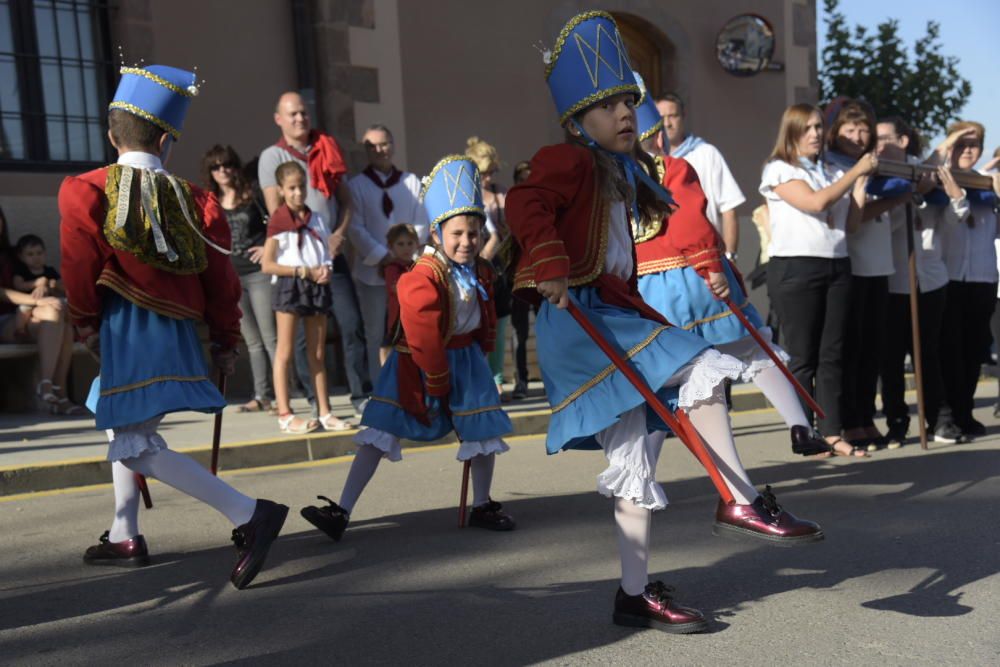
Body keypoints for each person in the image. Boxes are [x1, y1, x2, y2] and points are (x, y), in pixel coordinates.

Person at [508, 12, 822, 634]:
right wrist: (546, 260)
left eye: (629, 100)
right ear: (578, 123)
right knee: (703, 363)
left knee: (635, 463)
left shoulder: (625, 172)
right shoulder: (569, 160)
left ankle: (633, 594)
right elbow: (526, 201)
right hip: (581, 318)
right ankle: (738, 497)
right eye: (608, 106)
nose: (626, 113)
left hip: (613, 314)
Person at [60, 64, 287, 588]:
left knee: (135, 441)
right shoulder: (198, 198)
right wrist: (226, 338)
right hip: (179, 333)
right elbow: (221, 278)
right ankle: (124, 533)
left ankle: (249, 512)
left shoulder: (83, 190)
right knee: (119, 419)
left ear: (112, 134)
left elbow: (78, 266)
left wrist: (85, 324)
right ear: (165, 142)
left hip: (127, 330)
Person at [299, 155, 515, 540]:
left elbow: (486, 313)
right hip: (415, 364)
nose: (467, 242)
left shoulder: (480, 270)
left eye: (474, 234)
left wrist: (483, 348)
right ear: (436, 234)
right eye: (457, 234)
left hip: (467, 360)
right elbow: (422, 333)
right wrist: (435, 377)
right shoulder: (422, 276)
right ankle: (342, 510)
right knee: (380, 431)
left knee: (481, 432)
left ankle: (482, 503)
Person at [632, 73, 831, 458]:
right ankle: (799, 425)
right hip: (693, 280)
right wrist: (713, 266)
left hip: (649, 291)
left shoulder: (618, 180)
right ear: (658, 135)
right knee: (755, 350)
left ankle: (641, 472)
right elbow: (692, 221)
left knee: (666, 379)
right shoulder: (673, 168)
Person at [761, 103, 877, 457]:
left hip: (836, 263)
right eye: (806, 128)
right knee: (802, 355)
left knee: (832, 354)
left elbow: (852, 222)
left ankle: (831, 431)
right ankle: (803, 430)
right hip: (796, 267)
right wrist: (855, 170)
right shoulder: (779, 169)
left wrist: (860, 183)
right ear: (792, 133)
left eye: (817, 127)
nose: (814, 134)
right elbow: (815, 203)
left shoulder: (829, 169)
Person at [259, 92, 370, 416]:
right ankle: (313, 401)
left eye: (303, 113)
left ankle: (360, 395)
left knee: (351, 324)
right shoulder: (272, 156)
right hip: (298, 262)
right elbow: (275, 210)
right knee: (303, 343)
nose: (299, 119)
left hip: (330, 256)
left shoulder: (328, 149)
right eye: (292, 114)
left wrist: (337, 235)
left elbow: (347, 203)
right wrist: (309, 243)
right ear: (279, 119)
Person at [824, 99, 906, 451]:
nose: (858, 135)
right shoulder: (833, 164)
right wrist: (897, 196)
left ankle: (865, 417)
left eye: (863, 129)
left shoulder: (874, 165)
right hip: (850, 262)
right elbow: (859, 209)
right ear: (835, 131)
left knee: (872, 348)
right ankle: (849, 419)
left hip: (878, 264)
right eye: (849, 128)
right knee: (851, 348)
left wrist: (903, 192)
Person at [875, 116, 955, 445]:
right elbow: (882, 226)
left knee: (929, 353)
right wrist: (911, 197)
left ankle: (938, 419)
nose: (878, 145)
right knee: (891, 357)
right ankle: (897, 422)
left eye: (884, 138)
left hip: (931, 278)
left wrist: (937, 193)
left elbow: (949, 222)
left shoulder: (926, 171)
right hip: (894, 279)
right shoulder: (881, 175)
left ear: (903, 141)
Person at [261, 161, 352, 434]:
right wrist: (302, 271)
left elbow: (324, 251)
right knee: (285, 351)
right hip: (291, 285)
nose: (298, 193)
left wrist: (325, 270)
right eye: (291, 188)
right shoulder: (278, 221)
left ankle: (325, 412)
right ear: (281, 190)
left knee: (318, 352)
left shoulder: (317, 218)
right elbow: (267, 264)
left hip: (316, 286)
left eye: (301, 187)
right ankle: (285, 413)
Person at [931, 121, 1000, 438]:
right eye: (961, 144)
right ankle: (944, 416)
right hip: (949, 277)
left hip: (983, 277)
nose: (967, 150)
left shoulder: (990, 185)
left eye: (974, 144)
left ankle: (964, 412)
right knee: (948, 351)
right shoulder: (941, 176)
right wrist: (948, 144)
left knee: (974, 351)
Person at [347, 124, 429, 383]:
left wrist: (404, 253)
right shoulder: (357, 185)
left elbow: (422, 221)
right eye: (372, 146)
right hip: (373, 271)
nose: (379, 150)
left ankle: (411, 380)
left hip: (408, 270)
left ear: (393, 146)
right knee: (374, 332)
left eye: (384, 144)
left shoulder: (410, 181)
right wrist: (384, 255)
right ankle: (378, 385)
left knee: (410, 327)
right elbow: (355, 226)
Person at [202, 144, 276, 415]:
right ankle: (261, 395)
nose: (223, 170)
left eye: (227, 165)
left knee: (271, 337)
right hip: (230, 277)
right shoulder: (210, 200)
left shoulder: (252, 195)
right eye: (216, 166)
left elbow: (275, 225)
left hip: (258, 273)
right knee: (251, 340)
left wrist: (267, 247)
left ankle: (283, 393)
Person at [0, 211, 82, 415]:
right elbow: (2, 293)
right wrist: (37, 299)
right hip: (6, 321)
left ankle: (52, 390)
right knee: (55, 312)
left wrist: (47, 289)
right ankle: (57, 393)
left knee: (58, 314)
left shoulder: (13, 254)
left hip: (32, 317)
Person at [656, 93, 745, 257]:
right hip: (667, 256)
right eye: (661, 117)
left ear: (683, 117)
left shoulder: (706, 153)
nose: (667, 123)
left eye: (673, 116)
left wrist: (730, 255)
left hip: (705, 253)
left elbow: (729, 209)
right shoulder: (649, 160)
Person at [466, 136, 512, 400]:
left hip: (496, 266)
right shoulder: (467, 194)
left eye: (492, 171)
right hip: (473, 265)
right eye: (484, 173)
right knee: (475, 325)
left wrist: (483, 260)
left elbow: (502, 233)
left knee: (499, 324)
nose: (489, 177)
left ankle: (496, 378)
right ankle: (480, 378)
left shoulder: (499, 193)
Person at [508, 160, 536, 399]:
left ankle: (552, 379)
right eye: (522, 179)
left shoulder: (543, 205)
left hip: (542, 276)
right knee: (520, 332)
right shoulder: (512, 204)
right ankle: (521, 380)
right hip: (519, 277)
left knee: (549, 331)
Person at [379, 223, 419, 364]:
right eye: (400, 244)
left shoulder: (417, 266)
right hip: (397, 317)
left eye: (410, 243)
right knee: (391, 349)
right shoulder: (392, 267)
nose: (406, 248)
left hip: (415, 318)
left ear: (416, 244)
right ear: (391, 246)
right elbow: (396, 288)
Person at [12, 234, 64, 298]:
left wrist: (54, 284)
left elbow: (63, 287)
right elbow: (18, 286)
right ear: (21, 257)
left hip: (50, 301)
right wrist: (35, 283)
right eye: (30, 254)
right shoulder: (21, 271)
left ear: (45, 253)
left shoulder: (50, 271)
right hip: (28, 302)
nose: (36, 257)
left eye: (39, 253)